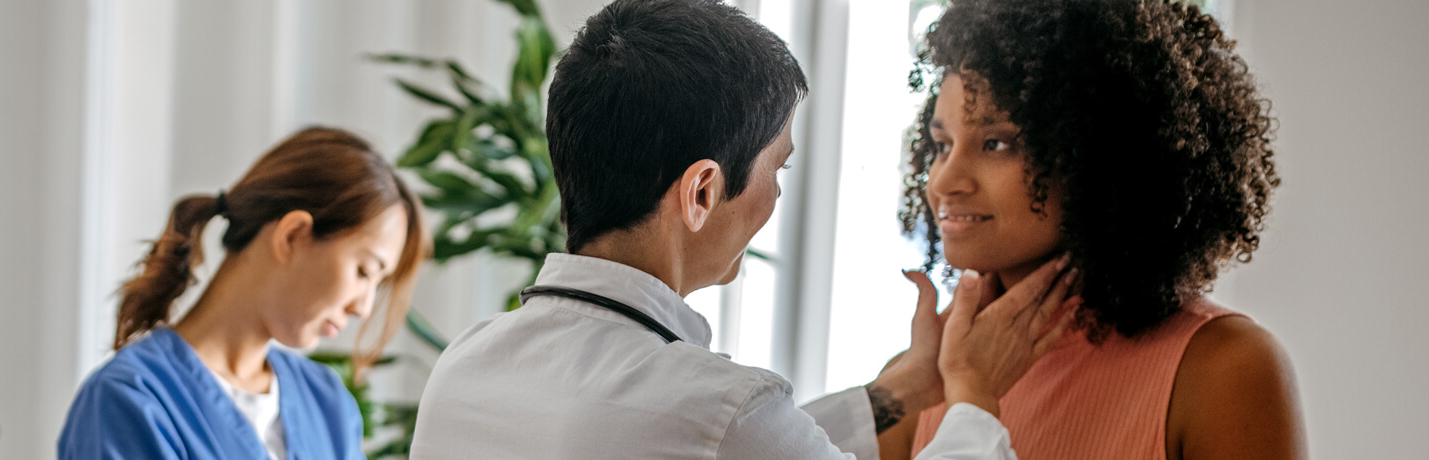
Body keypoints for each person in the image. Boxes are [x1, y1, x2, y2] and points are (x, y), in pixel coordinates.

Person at [410, 1, 1078, 458]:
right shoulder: (718, 405)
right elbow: (719, 433)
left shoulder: (465, 362)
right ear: (702, 190)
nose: (776, 197)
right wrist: (971, 391)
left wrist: (900, 392)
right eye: (776, 169)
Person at [894, 1, 1304, 459]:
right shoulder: (923, 384)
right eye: (942, 145)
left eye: (997, 143)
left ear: (1098, 156)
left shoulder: (1224, 369)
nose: (944, 181)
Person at [57, 127, 428, 460]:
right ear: (293, 235)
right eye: (364, 271)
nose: (363, 307)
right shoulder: (130, 401)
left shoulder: (327, 404)